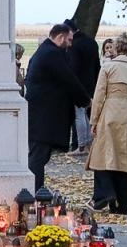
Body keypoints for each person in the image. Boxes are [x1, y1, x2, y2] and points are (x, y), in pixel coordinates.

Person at [23, 23, 89, 190]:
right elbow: (69, 79)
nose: (71, 44)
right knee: (38, 157)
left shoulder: (46, 51)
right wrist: (86, 100)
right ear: (60, 37)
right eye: (69, 39)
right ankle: (34, 192)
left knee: (40, 156)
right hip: (43, 118)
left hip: (41, 116)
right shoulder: (52, 54)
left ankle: (37, 190)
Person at [87, 33, 127, 214]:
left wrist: (94, 120)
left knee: (102, 157)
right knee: (124, 161)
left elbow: (98, 96)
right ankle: (122, 205)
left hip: (110, 113)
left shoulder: (108, 68)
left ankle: (105, 193)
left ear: (115, 48)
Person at [66, 19, 102, 154]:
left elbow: (74, 67)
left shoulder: (74, 45)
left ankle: (81, 145)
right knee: (88, 115)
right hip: (92, 83)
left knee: (79, 114)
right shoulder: (91, 42)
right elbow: (96, 65)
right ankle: (89, 143)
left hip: (79, 84)